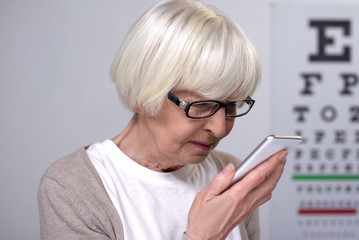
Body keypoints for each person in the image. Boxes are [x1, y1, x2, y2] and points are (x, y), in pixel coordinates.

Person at [37, 0, 288, 239]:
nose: (220, 128)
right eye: (201, 105)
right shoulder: (75, 187)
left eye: (231, 105)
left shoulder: (230, 177)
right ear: (142, 94)